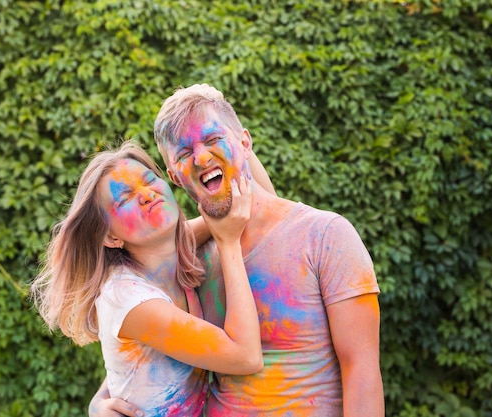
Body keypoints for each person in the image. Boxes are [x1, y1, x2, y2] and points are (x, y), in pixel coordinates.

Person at [90, 84, 385, 417]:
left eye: (214, 140)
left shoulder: (325, 235)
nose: (201, 157)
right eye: (184, 154)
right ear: (175, 176)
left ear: (245, 142)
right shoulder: (192, 259)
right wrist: (101, 402)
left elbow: (361, 369)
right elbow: (154, 341)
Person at [31, 140, 266, 417]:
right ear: (110, 236)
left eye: (149, 179)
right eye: (124, 199)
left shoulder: (173, 250)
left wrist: (233, 131)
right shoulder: (128, 298)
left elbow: (257, 205)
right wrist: (228, 244)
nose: (146, 194)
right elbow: (246, 357)